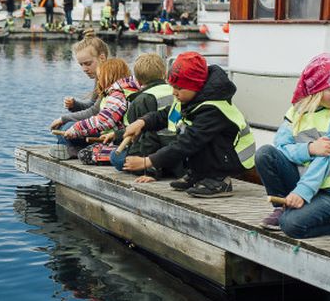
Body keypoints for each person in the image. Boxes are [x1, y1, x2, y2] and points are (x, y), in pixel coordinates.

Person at [254, 53, 330, 238]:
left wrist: (302, 193)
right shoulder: (296, 112)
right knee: (265, 154)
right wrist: (309, 148)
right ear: (318, 88)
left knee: (291, 226)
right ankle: (281, 208)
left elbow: (325, 161)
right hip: (311, 187)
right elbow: (280, 146)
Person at [120, 52, 255, 197]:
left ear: (195, 86)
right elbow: (165, 115)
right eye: (173, 86)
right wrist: (142, 122)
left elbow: (187, 143)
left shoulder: (213, 109)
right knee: (190, 136)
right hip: (222, 154)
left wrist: (148, 161)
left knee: (195, 139)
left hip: (233, 157)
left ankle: (219, 180)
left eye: (179, 88)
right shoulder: (191, 100)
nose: (174, 92)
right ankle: (198, 175)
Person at [105, 53, 176, 175]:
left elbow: (142, 136)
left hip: (152, 158)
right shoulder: (176, 91)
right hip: (175, 150)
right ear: (164, 73)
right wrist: (117, 135)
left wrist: (146, 168)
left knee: (115, 157)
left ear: (137, 80)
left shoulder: (140, 100)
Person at [52, 59, 135, 159]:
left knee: (84, 152)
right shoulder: (118, 92)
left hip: (116, 139)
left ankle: (73, 151)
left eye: (100, 78)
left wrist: (76, 129)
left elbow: (102, 121)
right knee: (66, 129)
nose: (98, 82)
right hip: (110, 135)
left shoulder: (117, 96)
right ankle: (71, 150)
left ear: (109, 78)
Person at [48, 36, 111, 140]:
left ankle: (75, 152)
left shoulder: (109, 77)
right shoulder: (99, 76)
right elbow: (92, 105)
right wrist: (75, 105)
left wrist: (63, 118)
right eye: (81, 64)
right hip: (102, 124)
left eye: (88, 64)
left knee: (67, 127)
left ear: (102, 58)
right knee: (65, 127)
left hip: (111, 130)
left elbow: (95, 111)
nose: (84, 69)